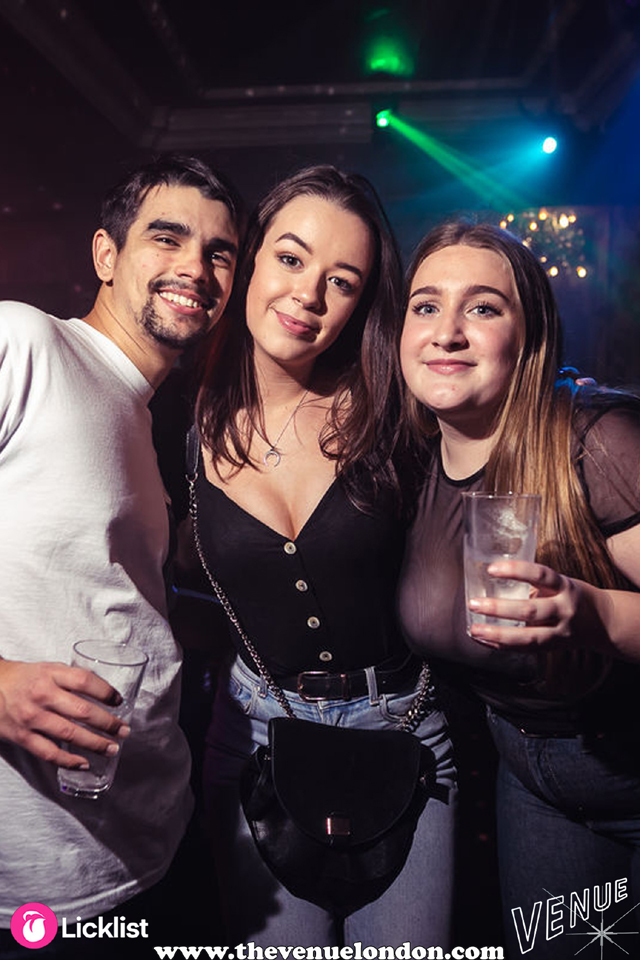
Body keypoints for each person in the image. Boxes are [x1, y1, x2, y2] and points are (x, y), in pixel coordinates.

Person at [190, 166, 456, 947]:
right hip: (253, 735)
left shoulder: (397, 409)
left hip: (403, 731)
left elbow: (504, 430)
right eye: (290, 258)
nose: (308, 294)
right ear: (250, 258)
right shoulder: (180, 415)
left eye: (342, 281)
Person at [0, 155, 240, 946]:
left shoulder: (144, 417)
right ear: (106, 254)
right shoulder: (23, 343)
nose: (195, 268)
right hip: (41, 885)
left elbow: (109, 599)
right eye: (167, 238)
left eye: (219, 253)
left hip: (153, 841)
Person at [397, 221, 640, 959]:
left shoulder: (596, 442)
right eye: (426, 306)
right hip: (531, 780)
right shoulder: (409, 466)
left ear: (528, 337)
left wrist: (593, 614)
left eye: (482, 307)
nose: (447, 332)